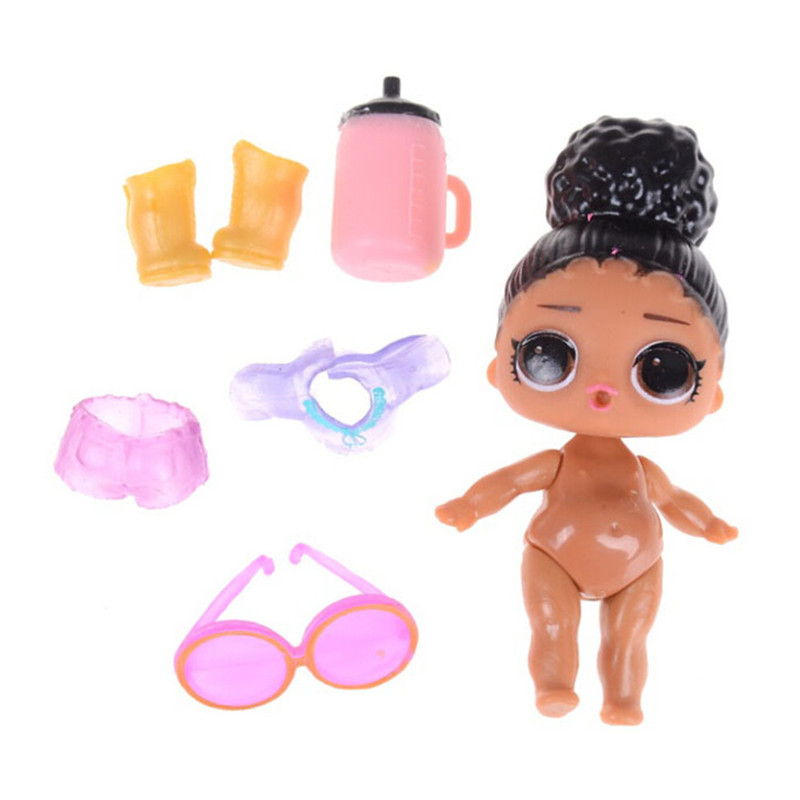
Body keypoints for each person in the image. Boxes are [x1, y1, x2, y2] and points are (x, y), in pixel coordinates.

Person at [436, 117, 737, 725]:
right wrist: (470, 505)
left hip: (639, 562)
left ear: (713, 396)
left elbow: (675, 501)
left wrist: (708, 524)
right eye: (548, 355)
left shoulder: (642, 472)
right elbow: (510, 483)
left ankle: (624, 699)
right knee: (552, 623)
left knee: (631, 636)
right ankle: (554, 684)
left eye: (663, 370)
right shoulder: (557, 464)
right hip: (554, 553)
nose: (602, 391)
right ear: (497, 365)